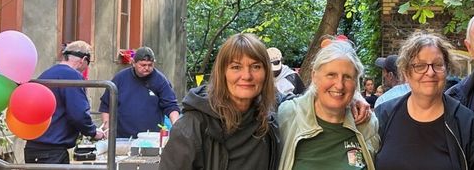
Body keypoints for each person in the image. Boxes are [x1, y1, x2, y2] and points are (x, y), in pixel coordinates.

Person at [160, 33, 280, 170]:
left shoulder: (268, 123)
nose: (247, 76)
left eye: (256, 66)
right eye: (236, 67)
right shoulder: (191, 127)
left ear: (266, 72)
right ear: (222, 72)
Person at [375, 31, 474, 170]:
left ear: (447, 70)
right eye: (420, 66)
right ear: (406, 73)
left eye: (438, 64)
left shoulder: (468, 125)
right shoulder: (383, 116)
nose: (430, 72)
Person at [278, 39, 380, 169]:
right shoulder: (288, 115)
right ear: (314, 76)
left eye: (347, 77)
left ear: (356, 82)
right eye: (331, 75)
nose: (339, 85)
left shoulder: (367, 124)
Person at [23, 41, 105, 164]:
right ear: (83, 60)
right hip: (52, 150)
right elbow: (78, 114)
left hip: (33, 146)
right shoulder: (72, 76)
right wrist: (93, 132)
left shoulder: (47, 73)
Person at [98, 46, 180, 139]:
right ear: (133, 63)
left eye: (150, 65)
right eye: (143, 65)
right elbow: (106, 105)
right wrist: (107, 129)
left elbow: (171, 106)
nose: (147, 68)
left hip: (151, 138)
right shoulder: (120, 78)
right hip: (122, 137)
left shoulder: (160, 81)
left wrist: (176, 128)